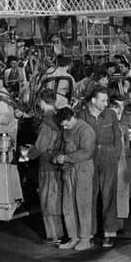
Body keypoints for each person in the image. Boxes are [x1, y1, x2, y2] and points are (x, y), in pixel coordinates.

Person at [77, 87, 122, 248]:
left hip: (108, 159)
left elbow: (118, 136)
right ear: (93, 100)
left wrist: (115, 154)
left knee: (108, 195)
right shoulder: (82, 116)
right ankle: (89, 232)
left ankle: (109, 232)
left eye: (106, 100)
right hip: (89, 160)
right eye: (102, 100)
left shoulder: (110, 115)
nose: (106, 103)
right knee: (90, 195)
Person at [25, 89, 64, 244]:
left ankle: (54, 235)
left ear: (41, 102)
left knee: (48, 199)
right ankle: (59, 232)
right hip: (58, 162)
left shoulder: (47, 122)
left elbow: (41, 145)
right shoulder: (59, 117)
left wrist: (28, 154)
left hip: (48, 164)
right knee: (56, 197)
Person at [55, 107, 96, 251]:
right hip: (69, 170)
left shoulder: (86, 130)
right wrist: (60, 158)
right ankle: (74, 237)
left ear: (72, 117)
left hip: (83, 169)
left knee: (83, 204)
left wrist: (66, 158)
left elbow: (87, 152)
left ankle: (85, 239)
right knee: (68, 205)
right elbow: (63, 147)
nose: (64, 127)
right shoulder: (67, 130)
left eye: (66, 124)